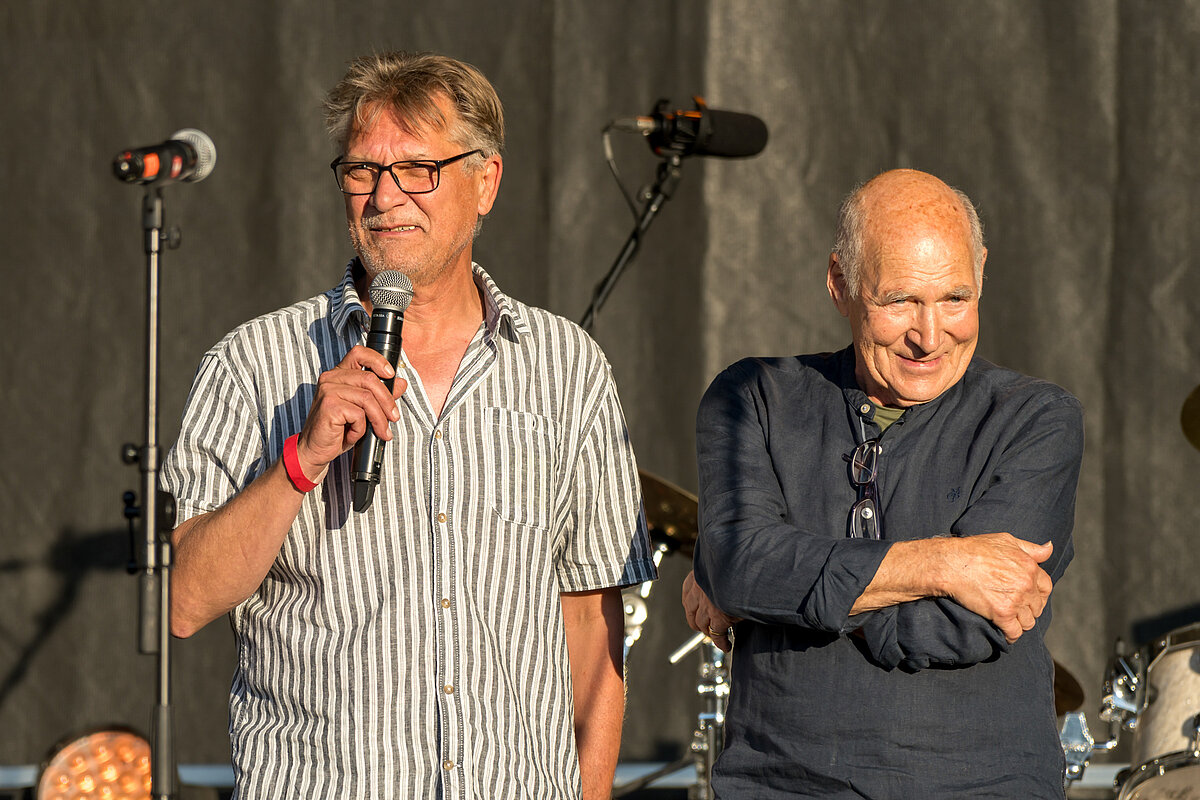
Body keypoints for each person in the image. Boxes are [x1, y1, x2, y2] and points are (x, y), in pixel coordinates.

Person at [162, 51, 656, 800]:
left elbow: (590, 622)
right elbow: (182, 599)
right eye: (362, 171)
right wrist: (301, 461)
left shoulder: (566, 367)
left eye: (418, 170)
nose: (385, 197)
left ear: (485, 182)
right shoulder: (255, 363)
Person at [681, 169, 1083, 799]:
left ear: (982, 271)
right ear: (840, 283)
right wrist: (944, 563)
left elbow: (974, 621)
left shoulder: (1035, 419)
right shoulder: (754, 397)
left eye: (955, 298)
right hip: (782, 785)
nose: (929, 336)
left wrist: (779, 590)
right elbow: (739, 563)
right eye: (899, 301)